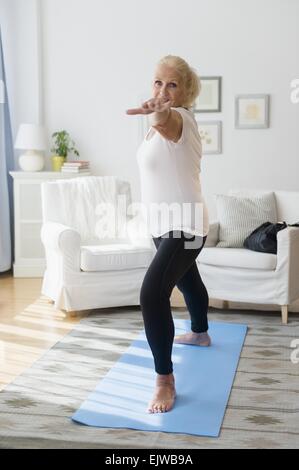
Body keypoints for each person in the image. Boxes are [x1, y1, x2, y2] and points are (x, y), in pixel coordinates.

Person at [126, 55, 211, 414]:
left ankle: (164, 379)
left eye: (172, 84)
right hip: (162, 225)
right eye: (158, 82)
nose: (162, 90)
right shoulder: (150, 131)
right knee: (187, 280)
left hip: (186, 226)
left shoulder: (182, 121)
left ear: (185, 93)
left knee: (152, 292)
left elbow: (167, 121)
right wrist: (154, 116)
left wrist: (159, 112)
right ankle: (201, 331)